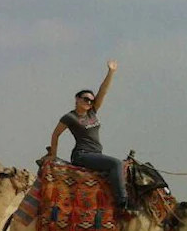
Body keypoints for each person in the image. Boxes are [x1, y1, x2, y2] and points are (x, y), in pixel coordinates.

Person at [47, 59, 132, 211]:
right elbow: (55, 135)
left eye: (91, 101)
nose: (89, 102)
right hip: (82, 155)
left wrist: (111, 72)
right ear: (77, 99)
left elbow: (103, 91)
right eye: (85, 99)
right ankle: (122, 202)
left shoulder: (92, 112)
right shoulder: (70, 117)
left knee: (128, 169)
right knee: (117, 163)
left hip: (96, 153)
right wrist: (53, 155)